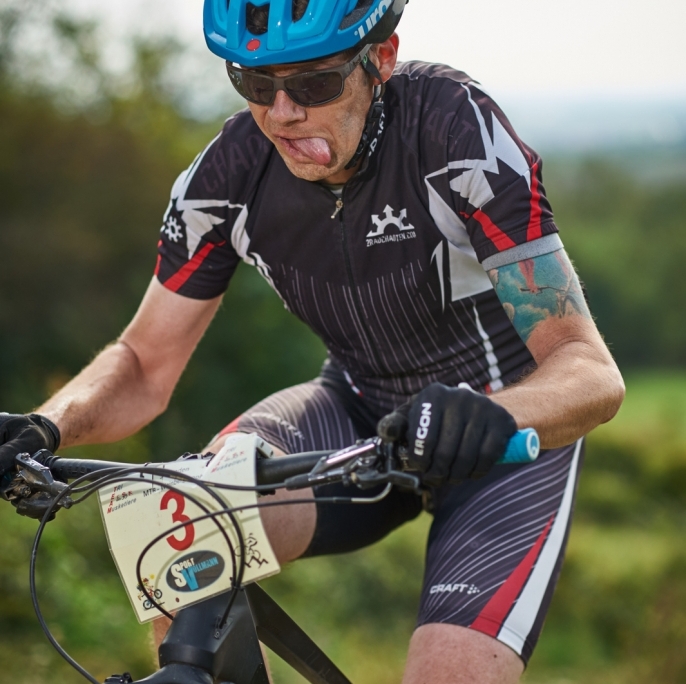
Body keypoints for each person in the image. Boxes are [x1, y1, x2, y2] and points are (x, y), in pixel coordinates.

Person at [0, 0, 625, 681]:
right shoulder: (227, 179)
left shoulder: (454, 130)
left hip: (504, 430)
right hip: (358, 408)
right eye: (255, 84)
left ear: (381, 60)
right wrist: (46, 425)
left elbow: (588, 370)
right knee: (175, 530)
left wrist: (503, 413)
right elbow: (144, 363)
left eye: (314, 84)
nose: (282, 113)